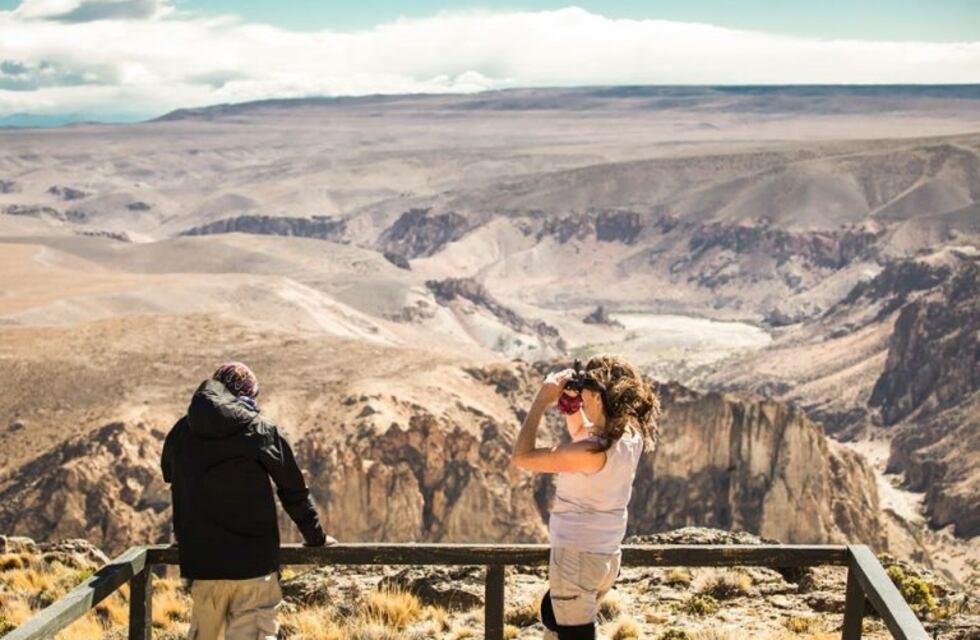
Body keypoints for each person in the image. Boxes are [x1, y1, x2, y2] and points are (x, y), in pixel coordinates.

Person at [161, 362, 334, 640]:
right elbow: (292, 490)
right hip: (253, 567)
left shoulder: (182, 431)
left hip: (204, 567)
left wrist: (183, 537)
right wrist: (316, 538)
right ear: (248, 394)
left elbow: (173, 479)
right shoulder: (259, 429)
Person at [512, 355, 660, 640]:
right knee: (555, 627)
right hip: (603, 558)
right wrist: (571, 405)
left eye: (585, 391)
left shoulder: (593, 452)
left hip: (576, 560)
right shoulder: (630, 436)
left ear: (598, 394)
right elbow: (582, 431)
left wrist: (541, 401)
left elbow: (522, 456)